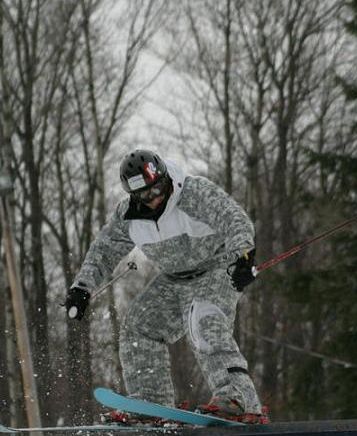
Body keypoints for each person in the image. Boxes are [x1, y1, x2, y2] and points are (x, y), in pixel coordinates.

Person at [65, 149, 266, 421]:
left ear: (164, 178)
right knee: (139, 325)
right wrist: (82, 287)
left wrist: (243, 255)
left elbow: (234, 219)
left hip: (216, 267)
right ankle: (149, 401)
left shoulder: (193, 194)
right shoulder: (128, 216)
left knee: (202, 320)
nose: (154, 198)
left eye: (157, 188)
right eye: (145, 195)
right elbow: (103, 251)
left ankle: (237, 396)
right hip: (173, 278)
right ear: (134, 195)